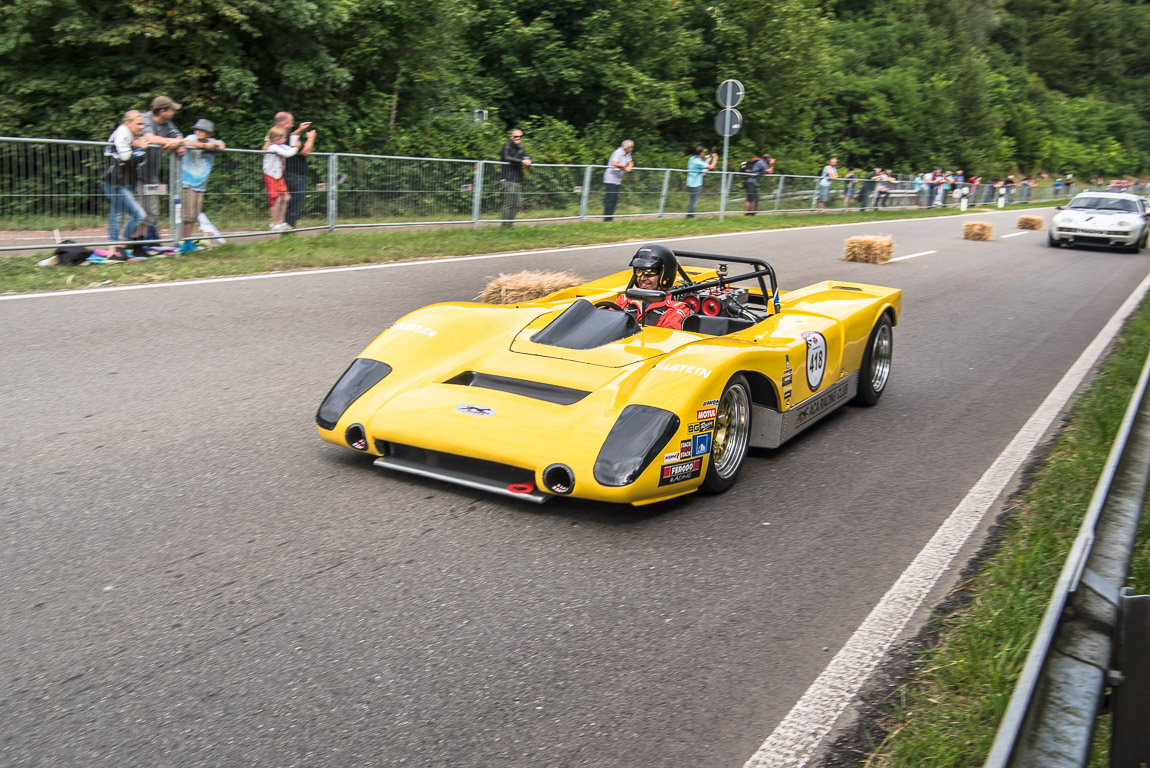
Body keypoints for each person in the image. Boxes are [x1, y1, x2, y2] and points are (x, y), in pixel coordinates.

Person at [101, 109, 151, 260]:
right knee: (139, 215)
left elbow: (142, 161)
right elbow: (126, 156)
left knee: (115, 215)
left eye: (143, 124)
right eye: (139, 124)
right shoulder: (122, 132)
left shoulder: (131, 135)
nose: (142, 127)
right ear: (127, 123)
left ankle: (113, 250)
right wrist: (140, 148)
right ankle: (121, 245)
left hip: (125, 181)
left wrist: (138, 148)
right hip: (115, 182)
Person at [136, 96, 186, 246]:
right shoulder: (144, 119)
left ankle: (144, 243)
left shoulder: (167, 123)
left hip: (152, 176)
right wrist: (172, 142)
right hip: (136, 174)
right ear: (163, 110)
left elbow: (179, 137)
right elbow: (149, 138)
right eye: (172, 110)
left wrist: (178, 143)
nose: (174, 113)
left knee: (152, 211)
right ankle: (130, 244)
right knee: (137, 211)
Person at [613, 243, 693, 329]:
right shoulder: (622, 301)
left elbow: (666, 339)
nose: (642, 278)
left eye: (649, 272)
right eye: (639, 271)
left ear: (665, 275)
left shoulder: (674, 310)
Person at [179, 118, 226, 253]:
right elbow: (186, 142)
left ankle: (189, 240)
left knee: (194, 214)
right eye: (197, 129)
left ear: (209, 134)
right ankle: (186, 242)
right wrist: (204, 146)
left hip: (201, 184)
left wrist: (218, 145)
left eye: (202, 130)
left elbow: (221, 143)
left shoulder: (211, 141)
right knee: (187, 215)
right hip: (187, 183)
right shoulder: (191, 138)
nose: (198, 132)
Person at [274, 112, 315, 230]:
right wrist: (311, 138)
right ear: (284, 124)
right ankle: (288, 232)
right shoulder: (284, 137)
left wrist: (300, 130)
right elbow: (305, 151)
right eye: (290, 123)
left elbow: (290, 137)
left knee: (287, 204)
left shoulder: (277, 136)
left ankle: (285, 229)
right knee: (294, 205)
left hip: (286, 174)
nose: (292, 125)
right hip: (295, 175)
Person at [262, 126, 299, 231]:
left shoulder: (280, 145)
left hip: (279, 176)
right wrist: (296, 148)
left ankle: (281, 222)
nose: (285, 139)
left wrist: (295, 147)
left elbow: (290, 150)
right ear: (276, 138)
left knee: (286, 197)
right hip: (271, 175)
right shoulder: (273, 147)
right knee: (277, 199)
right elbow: (288, 153)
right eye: (283, 137)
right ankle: (274, 223)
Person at [500, 128, 532, 226]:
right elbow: (506, 157)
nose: (518, 138)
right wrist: (522, 161)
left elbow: (526, 156)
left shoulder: (520, 147)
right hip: (508, 179)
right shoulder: (507, 146)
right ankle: (505, 225)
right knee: (508, 204)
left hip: (516, 179)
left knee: (518, 204)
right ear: (511, 137)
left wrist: (528, 160)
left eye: (520, 137)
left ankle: (510, 223)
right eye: (516, 136)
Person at [602, 139, 634, 221]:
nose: (632, 149)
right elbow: (614, 163)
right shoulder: (618, 152)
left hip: (618, 179)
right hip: (611, 178)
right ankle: (607, 219)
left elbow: (630, 162)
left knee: (614, 199)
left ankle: (610, 218)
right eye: (631, 148)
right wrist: (624, 166)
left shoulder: (628, 154)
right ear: (627, 147)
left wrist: (629, 166)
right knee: (610, 199)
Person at [685, 145, 717, 218]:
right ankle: (690, 216)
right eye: (703, 152)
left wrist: (707, 159)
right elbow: (711, 167)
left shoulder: (692, 158)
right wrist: (715, 158)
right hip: (695, 183)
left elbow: (702, 165)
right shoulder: (698, 161)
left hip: (689, 182)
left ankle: (690, 214)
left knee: (692, 200)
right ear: (701, 153)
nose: (703, 153)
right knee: (694, 201)